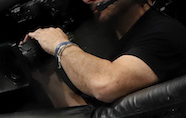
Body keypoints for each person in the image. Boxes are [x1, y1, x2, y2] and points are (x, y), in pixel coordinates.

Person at [23, 0, 186, 107]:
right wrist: (45, 74)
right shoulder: (110, 43)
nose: (87, 0)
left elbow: (104, 85)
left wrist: (60, 45)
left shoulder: (165, 32)